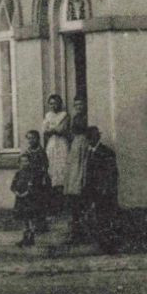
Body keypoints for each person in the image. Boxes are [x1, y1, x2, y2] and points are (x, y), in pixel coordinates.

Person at [81, 125, 121, 253]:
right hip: (93, 191)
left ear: (97, 137)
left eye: (92, 138)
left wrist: (105, 189)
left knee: (106, 218)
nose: (90, 140)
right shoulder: (89, 152)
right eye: (88, 138)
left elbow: (111, 174)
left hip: (104, 192)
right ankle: (102, 243)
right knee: (97, 218)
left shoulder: (106, 152)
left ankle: (109, 246)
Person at [10, 129, 51, 247]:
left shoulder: (41, 152)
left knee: (36, 210)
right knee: (25, 215)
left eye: (33, 138)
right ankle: (26, 236)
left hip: (37, 183)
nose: (31, 140)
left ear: (38, 139)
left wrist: (40, 178)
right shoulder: (27, 153)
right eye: (29, 138)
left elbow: (45, 167)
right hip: (26, 185)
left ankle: (36, 231)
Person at [40, 94, 71, 226]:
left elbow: (62, 130)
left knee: (63, 170)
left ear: (60, 103)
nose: (53, 106)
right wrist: (52, 129)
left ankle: (64, 205)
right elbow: (45, 131)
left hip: (62, 144)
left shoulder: (64, 115)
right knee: (51, 171)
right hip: (52, 144)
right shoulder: (48, 116)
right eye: (51, 103)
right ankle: (54, 207)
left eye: (56, 103)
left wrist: (53, 129)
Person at [62, 97, 90, 242]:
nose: (78, 106)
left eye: (81, 104)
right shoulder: (74, 118)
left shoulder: (87, 117)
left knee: (82, 167)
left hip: (84, 143)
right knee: (73, 170)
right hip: (75, 144)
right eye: (76, 105)